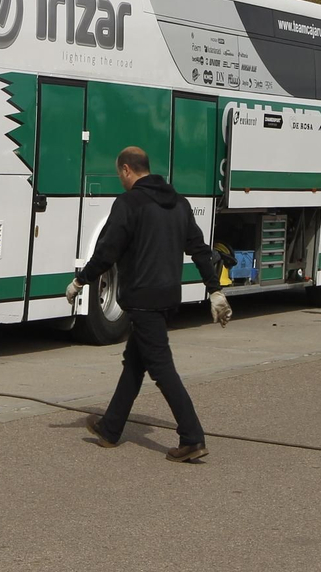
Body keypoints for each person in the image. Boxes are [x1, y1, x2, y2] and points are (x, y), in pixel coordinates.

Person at [66, 145, 232, 463]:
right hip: (168, 298)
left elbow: (107, 251)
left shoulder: (130, 203)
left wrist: (80, 281)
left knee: (161, 368)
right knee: (135, 363)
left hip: (142, 299)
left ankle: (192, 437)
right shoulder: (179, 204)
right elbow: (199, 249)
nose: (120, 180)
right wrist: (214, 290)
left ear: (127, 169)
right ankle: (110, 428)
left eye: (120, 174)